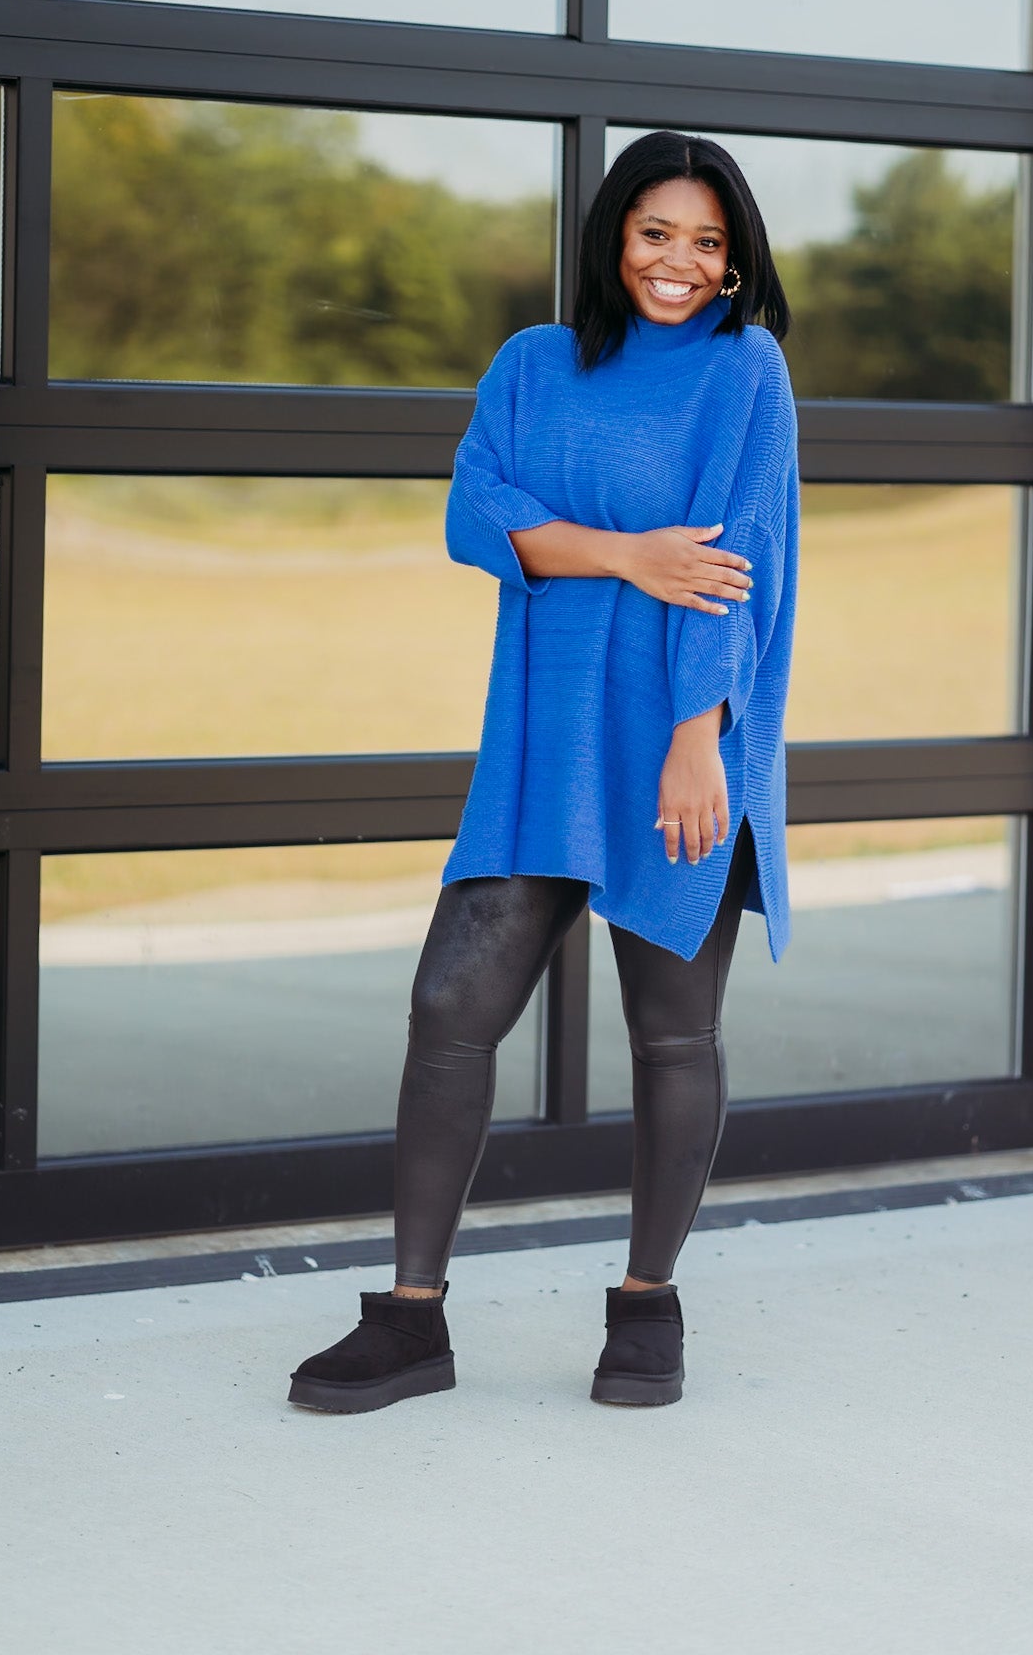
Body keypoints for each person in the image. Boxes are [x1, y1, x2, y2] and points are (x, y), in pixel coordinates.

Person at [289, 130, 799, 1414]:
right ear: (611, 235)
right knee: (449, 1010)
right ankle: (412, 1319)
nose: (678, 262)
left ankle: (647, 1305)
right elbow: (475, 510)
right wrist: (627, 553)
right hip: (546, 737)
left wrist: (701, 738)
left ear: (734, 265)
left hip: (682, 735)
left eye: (706, 242)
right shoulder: (533, 363)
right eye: (655, 233)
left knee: (673, 1032)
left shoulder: (746, 372)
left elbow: (738, 566)